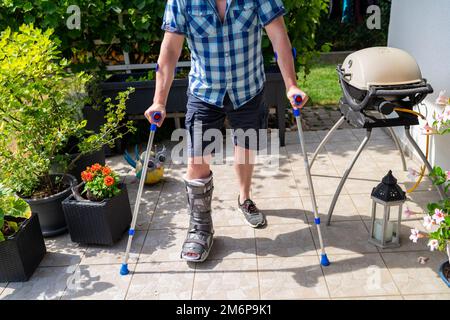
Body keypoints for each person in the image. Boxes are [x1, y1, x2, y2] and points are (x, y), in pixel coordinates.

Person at [144, 0, 309, 263]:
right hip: (204, 93)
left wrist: (291, 85)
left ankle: (244, 198)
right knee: (197, 161)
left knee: (245, 151)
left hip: (248, 90)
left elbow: (278, 36)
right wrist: (159, 101)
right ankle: (200, 228)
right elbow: (170, 51)